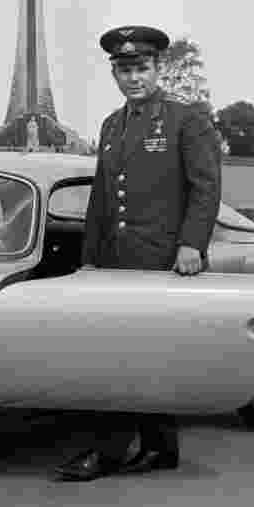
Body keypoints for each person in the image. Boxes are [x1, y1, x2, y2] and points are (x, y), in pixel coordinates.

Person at [52, 24, 222, 482]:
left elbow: (205, 189)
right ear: (115, 75)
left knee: (140, 354)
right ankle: (159, 448)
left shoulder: (186, 120)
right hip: (116, 261)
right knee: (126, 353)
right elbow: (103, 198)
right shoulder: (111, 126)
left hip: (163, 259)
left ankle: (107, 453)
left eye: (141, 68)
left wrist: (192, 244)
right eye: (124, 71)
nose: (133, 79)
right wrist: (90, 256)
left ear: (158, 68)